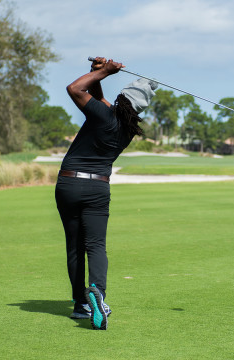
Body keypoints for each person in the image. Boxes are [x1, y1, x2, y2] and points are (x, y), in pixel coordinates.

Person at [55, 57, 157, 330]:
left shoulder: (104, 115)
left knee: (75, 246)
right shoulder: (126, 128)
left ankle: (80, 304)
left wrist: (105, 72)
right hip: (98, 187)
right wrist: (97, 73)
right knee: (96, 246)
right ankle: (97, 292)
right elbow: (99, 99)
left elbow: (74, 89)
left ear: (122, 100)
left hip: (69, 184)